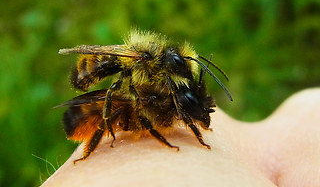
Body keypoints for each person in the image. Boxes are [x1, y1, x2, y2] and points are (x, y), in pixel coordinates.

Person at [41, 88, 320, 187]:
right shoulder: (151, 102)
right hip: (85, 116)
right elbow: (147, 122)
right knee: (110, 115)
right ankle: (89, 151)